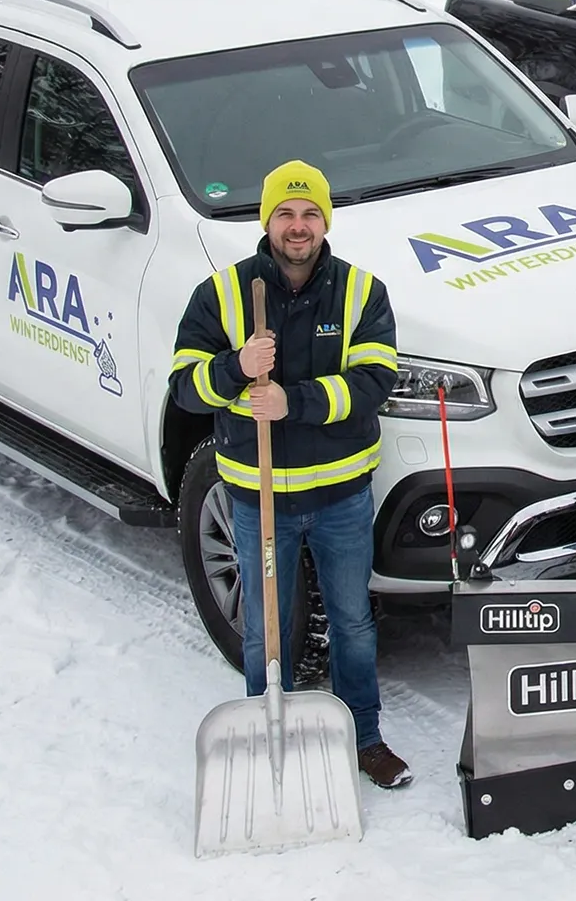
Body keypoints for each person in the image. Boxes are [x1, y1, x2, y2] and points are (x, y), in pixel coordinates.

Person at [169, 160, 412, 790]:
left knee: (353, 622)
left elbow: (374, 382)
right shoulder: (222, 294)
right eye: (285, 213)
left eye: (309, 214)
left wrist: (291, 402)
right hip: (258, 496)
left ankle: (365, 737)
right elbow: (185, 388)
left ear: (325, 221)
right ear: (267, 220)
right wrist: (235, 367)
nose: (297, 227)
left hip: (340, 497)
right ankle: (266, 733)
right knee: (265, 625)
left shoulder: (362, 293)